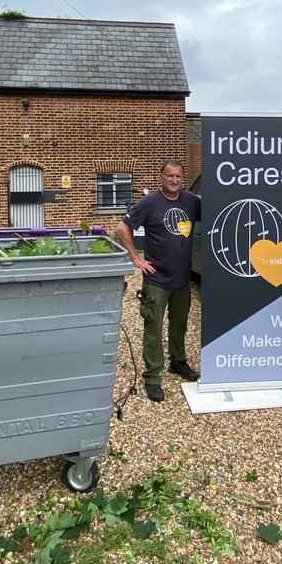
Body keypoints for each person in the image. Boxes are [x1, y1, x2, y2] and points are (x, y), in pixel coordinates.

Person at [114, 160, 202, 402]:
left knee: (179, 324)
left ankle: (178, 362)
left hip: (182, 279)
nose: (174, 180)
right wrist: (136, 259)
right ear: (161, 176)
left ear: (182, 179)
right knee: (153, 327)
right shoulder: (150, 202)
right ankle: (152, 376)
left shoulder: (192, 201)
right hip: (157, 279)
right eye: (169, 176)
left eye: (178, 177)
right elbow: (122, 229)